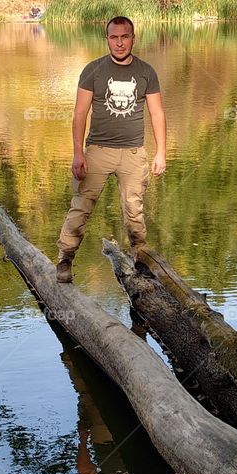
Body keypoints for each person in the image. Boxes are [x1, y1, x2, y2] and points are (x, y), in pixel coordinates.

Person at [56, 15, 166, 283]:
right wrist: (78, 152)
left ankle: (140, 260)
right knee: (81, 207)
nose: (119, 43)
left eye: (124, 37)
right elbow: (79, 114)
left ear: (133, 39)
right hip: (97, 151)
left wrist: (161, 152)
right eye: (114, 37)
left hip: (133, 153)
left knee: (134, 211)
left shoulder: (146, 72)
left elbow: (157, 113)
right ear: (107, 39)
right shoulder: (93, 70)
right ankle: (64, 260)